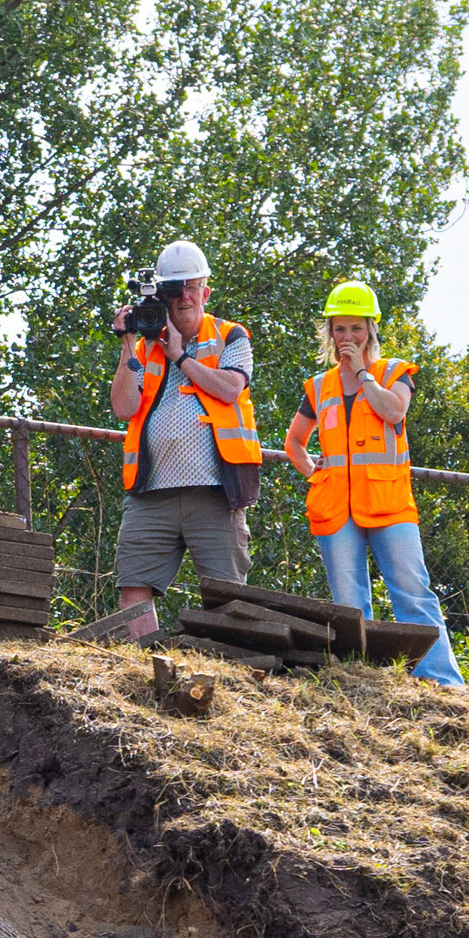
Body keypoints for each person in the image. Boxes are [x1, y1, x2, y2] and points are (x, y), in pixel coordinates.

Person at [288, 282, 463, 688]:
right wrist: (315, 473)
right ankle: (361, 680)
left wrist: (363, 373)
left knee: (412, 593)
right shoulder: (318, 386)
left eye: (356, 329)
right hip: (336, 508)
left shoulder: (393, 372)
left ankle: (441, 682)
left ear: (371, 329)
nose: (347, 338)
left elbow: (393, 410)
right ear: (330, 332)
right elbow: (295, 442)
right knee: (349, 603)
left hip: (389, 503)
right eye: (340, 329)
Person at [106, 239, 261, 640]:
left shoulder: (230, 335)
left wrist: (180, 356)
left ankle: (225, 670)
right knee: (134, 584)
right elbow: (124, 408)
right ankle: (145, 665)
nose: (184, 297)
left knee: (225, 593)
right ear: (163, 295)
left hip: (214, 490)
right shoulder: (144, 345)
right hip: (150, 491)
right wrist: (128, 344)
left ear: (205, 292)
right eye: (175, 289)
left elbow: (230, 389)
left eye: (192, 287)